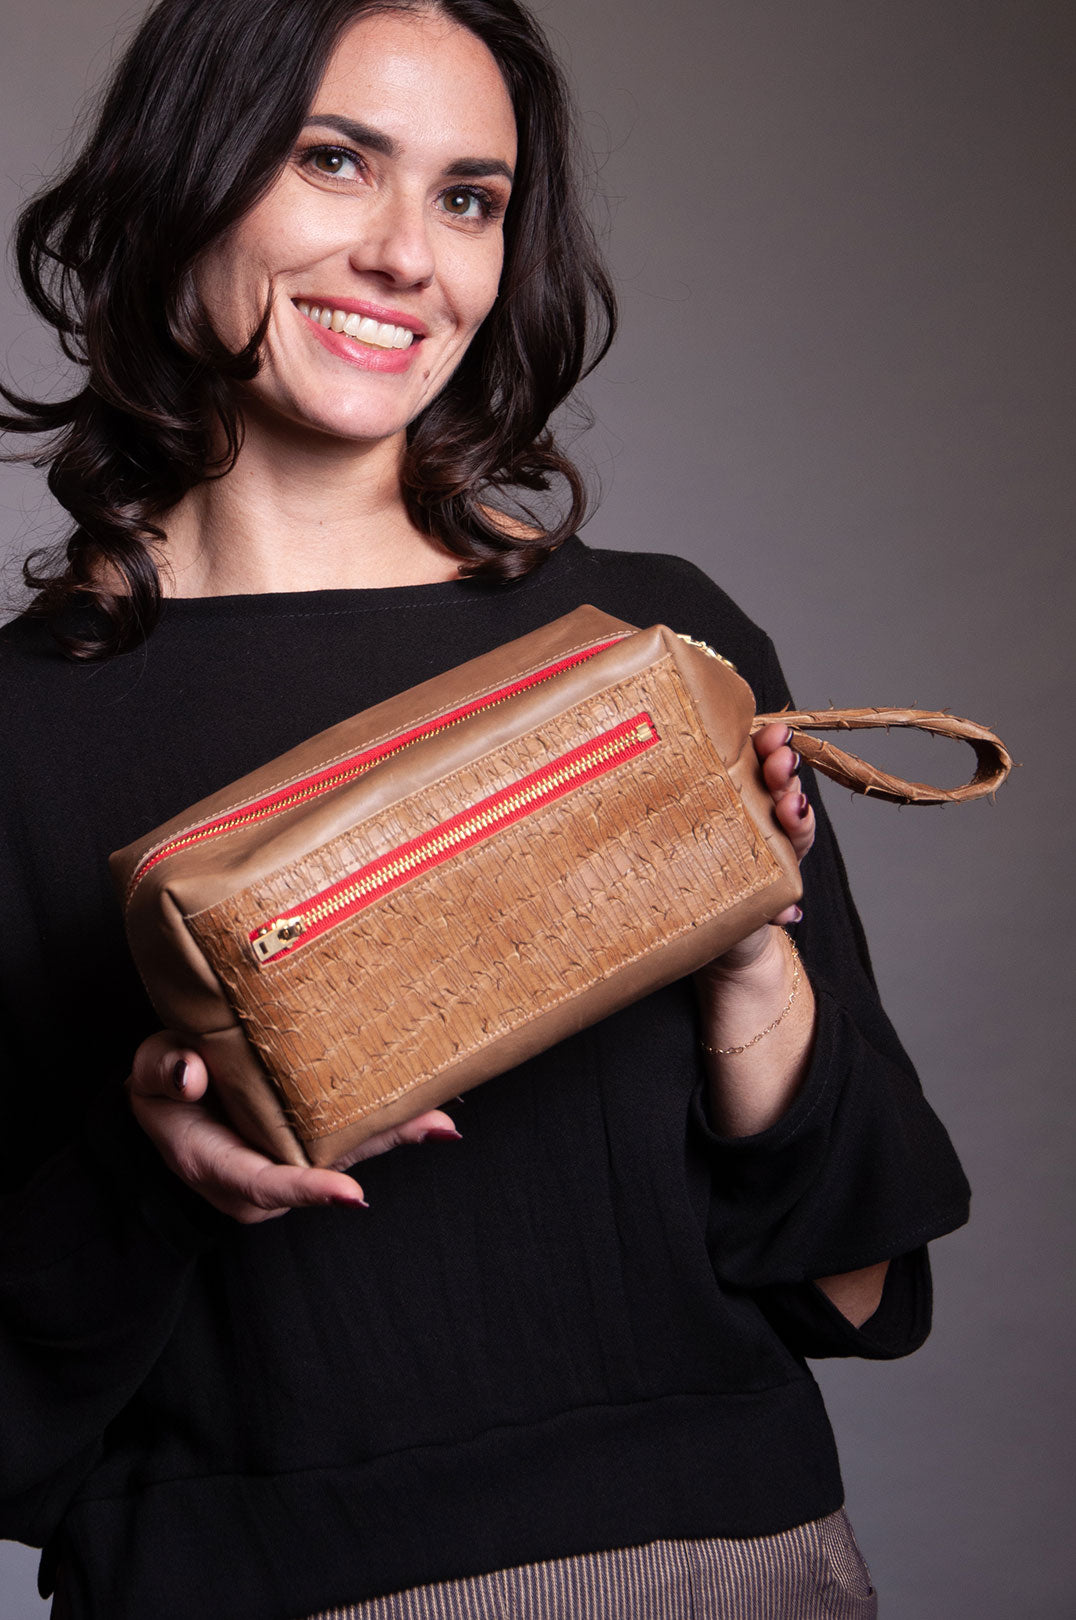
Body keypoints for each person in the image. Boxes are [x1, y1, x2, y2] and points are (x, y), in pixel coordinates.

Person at [0, 1, 971, 1616]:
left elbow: (859, 1285)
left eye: (469, 198)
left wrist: (746, 958)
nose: (406, 255)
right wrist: (147, 1162)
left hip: (729, 1567)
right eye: (332, 163)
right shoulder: (21, 733)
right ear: (185, 180)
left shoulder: (654, 654)